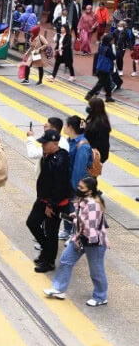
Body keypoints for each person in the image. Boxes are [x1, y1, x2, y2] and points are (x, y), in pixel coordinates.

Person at [43, 177, 108, 307]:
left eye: (81, 188)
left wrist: (79, 238)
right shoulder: (83, 200)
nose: (78, 189)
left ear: (90, 191)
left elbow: (91, 230)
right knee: (65, 260)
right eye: (78, 186)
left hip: (93, 243)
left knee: (96, 270)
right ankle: (59, 289)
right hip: (80, 238)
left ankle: (100, 296)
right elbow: (81, 218)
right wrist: (73, 217)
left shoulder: (93, 205)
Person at [26, 129, 73, 273]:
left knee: (51, 232)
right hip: (43, 199)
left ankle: (49, 261)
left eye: (45, 143)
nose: (43, 145)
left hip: (55, 204)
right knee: (32, 222)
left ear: (55, 143)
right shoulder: (48, 155)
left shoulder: (60, 160)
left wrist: (50, 205)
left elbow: (59, 186)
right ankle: (46, 252)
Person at [59, 115, 94, 240]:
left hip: (76, 183)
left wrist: (75, 188)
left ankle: (75, 234)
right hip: (68, 181)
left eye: (65, 125)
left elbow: (79, 170)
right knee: (68, 208)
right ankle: (67, 230)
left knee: (75, 209)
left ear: (70, 128)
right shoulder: (69, 141)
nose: (64, 127)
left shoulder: (82, 145)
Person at [85, 35, 116, 103]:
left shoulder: (101, 46)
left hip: (100, 66)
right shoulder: (108, 49)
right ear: (108, 41)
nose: (112, 41)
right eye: (111, 40)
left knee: (107, 83)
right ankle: (90, 94)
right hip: (105, 68)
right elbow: (113, 57)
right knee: (100, 83)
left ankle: (108, 97)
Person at [84, 97, 111, 163]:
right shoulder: (92, 116)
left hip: (94, 155)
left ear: (94, 108)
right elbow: (84, 127)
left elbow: (101, 143)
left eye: (89, 106)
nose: (87, 107)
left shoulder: (101, 123)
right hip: (89, 151)